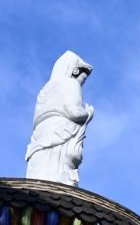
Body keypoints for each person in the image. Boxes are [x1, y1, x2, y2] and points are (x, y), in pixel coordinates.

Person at [26, 51, 94, 186]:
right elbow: (75, 113)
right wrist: (88, 113)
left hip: (41, 136)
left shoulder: (45, 91)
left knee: (40, 171)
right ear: (75, 71)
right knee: (57, 173)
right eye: (83, 79)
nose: (82, 83)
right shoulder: (71, 84)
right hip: (60, 134)